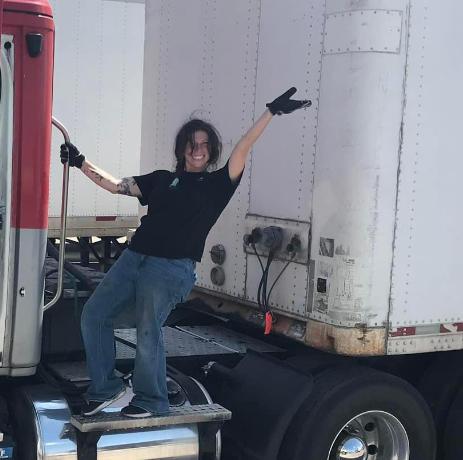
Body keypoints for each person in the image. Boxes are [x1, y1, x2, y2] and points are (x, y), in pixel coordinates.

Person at [60, 86, 312, 419]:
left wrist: (271, 111)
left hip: (170, 269)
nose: (198, 150)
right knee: (94, 315)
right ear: (182, 149)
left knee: (149, 329)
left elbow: (244, 146)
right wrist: (80, 162)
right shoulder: (162, 179)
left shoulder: (219, 183)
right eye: (192, 144)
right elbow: (114, 184)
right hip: (132, 260)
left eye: (205, 145)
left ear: (212, 151)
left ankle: (151, 400)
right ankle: (107, 389)